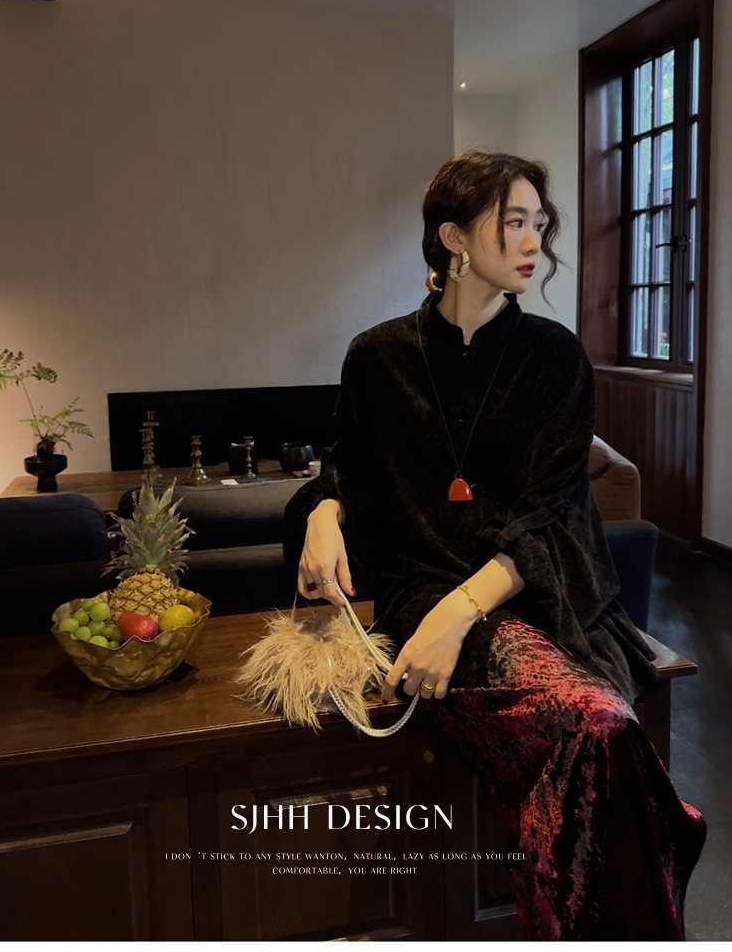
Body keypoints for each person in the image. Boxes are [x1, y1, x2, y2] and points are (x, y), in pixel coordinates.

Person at [283, 151, 705, 940]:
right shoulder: (378, 357)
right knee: (601, 727)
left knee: (602, 728)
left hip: (541, 594)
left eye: (539, 223)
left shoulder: (555, 357)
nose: (535, 241)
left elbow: (551, 511)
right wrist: (322, 512)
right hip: (423, 588)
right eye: (514, 221)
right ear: (452, 237)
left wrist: (459, 613)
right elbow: (351, 472)